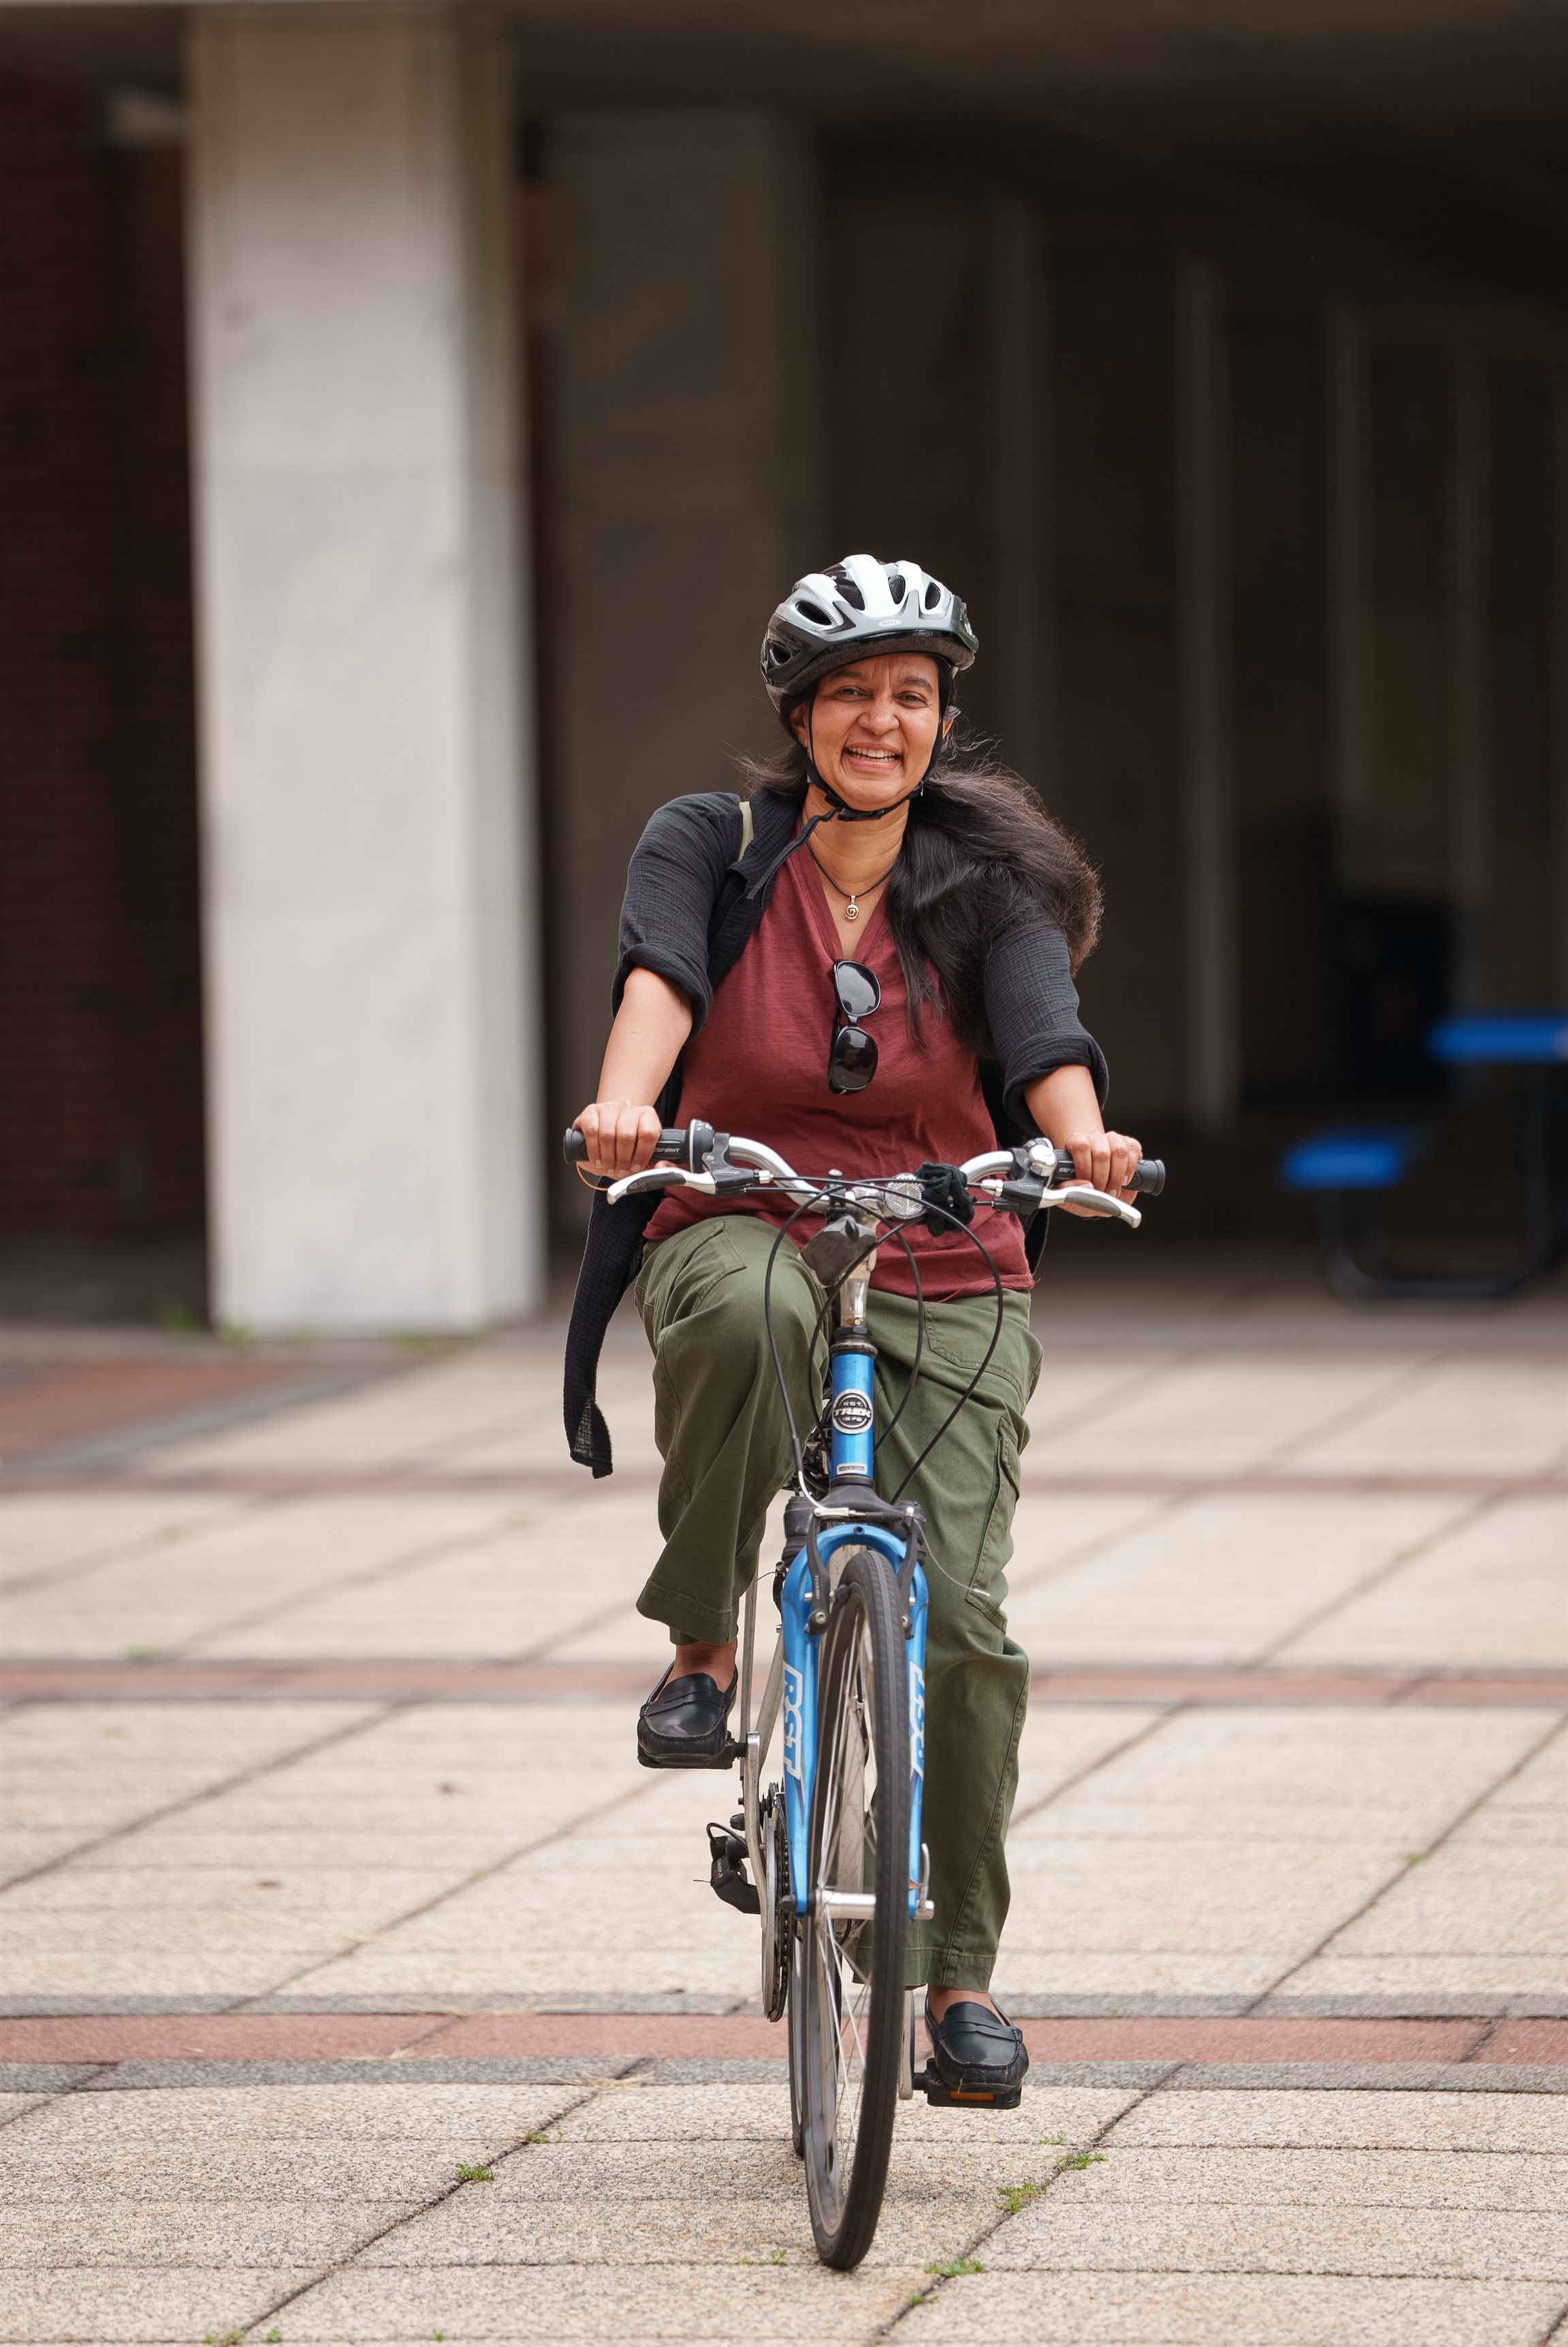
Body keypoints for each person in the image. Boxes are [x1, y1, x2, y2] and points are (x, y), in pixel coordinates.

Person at [566, 555, 1141, 2102]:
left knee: (964, 1627)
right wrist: (630, 1103)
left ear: (942, 716)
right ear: (800, 716)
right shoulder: (715, 843)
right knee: (750, 1309)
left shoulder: (988, 883)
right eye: (850, 694)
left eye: (911, 694)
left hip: (949, 1259)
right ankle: (701, 1649)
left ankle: (957, 1986)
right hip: (742, 1215)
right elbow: (661, 979)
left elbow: (1042, 1031)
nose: (881, 720)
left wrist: (1081, 1140)